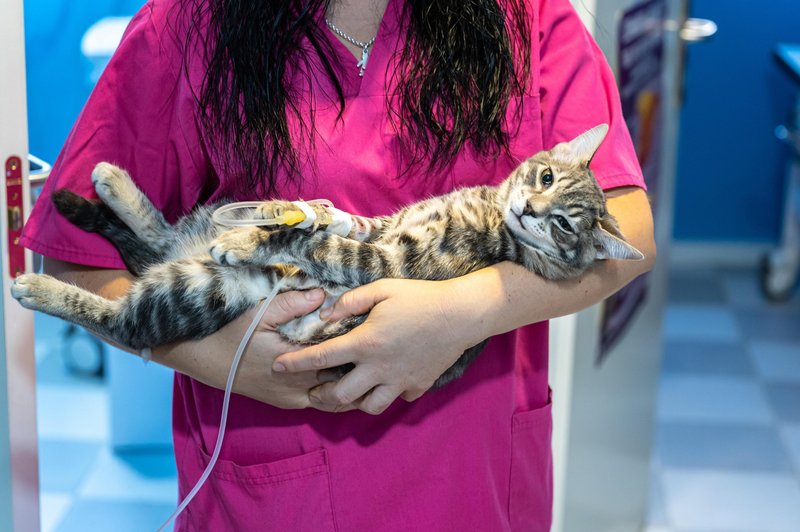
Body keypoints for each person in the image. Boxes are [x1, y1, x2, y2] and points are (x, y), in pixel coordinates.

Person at [21, 0, 655, 529]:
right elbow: (73, 255)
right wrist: (223, 357)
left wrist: (467, 311)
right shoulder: (191, 25)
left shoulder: (525, 18)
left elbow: (630, 232)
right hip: (277, 482)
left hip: (475, 474)